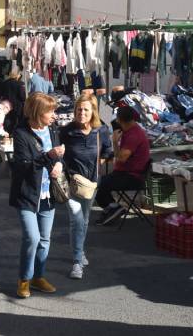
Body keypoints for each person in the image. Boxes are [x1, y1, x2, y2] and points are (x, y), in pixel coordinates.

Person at [9, 92, 65, 299]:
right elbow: (23, 166)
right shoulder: (21, 134)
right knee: (32, 238)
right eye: (50, 111)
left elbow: (60, 156)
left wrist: (59, 163)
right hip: (26, 194)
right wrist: (49, 156)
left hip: (48, 194)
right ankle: (24, 279)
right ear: (37, 112)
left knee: (44, 239)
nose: (54, 115)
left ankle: (38, 277)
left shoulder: (52, 130)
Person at [60, 94, 112, 279]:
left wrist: (97, 165)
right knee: (77, 219)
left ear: (93, 112)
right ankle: (76, 262)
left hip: (91, 184)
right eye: (79, 109)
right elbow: (59, 154)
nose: (82, 113)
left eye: (86, 110)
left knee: (85, 218)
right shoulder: (67, 131)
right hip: (71, 183)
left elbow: (107, 150)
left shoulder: (101, 130)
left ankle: (80, 250)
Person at [95, 106, 150, 226]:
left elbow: (122, 157)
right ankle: (112, 208)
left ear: (120, 120)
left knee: (99, 184)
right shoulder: (130, 131)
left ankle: (114, 208)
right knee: (99, 185)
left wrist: (114, 141)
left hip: (132, 176)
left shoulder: (134, 135)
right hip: (124, 173)